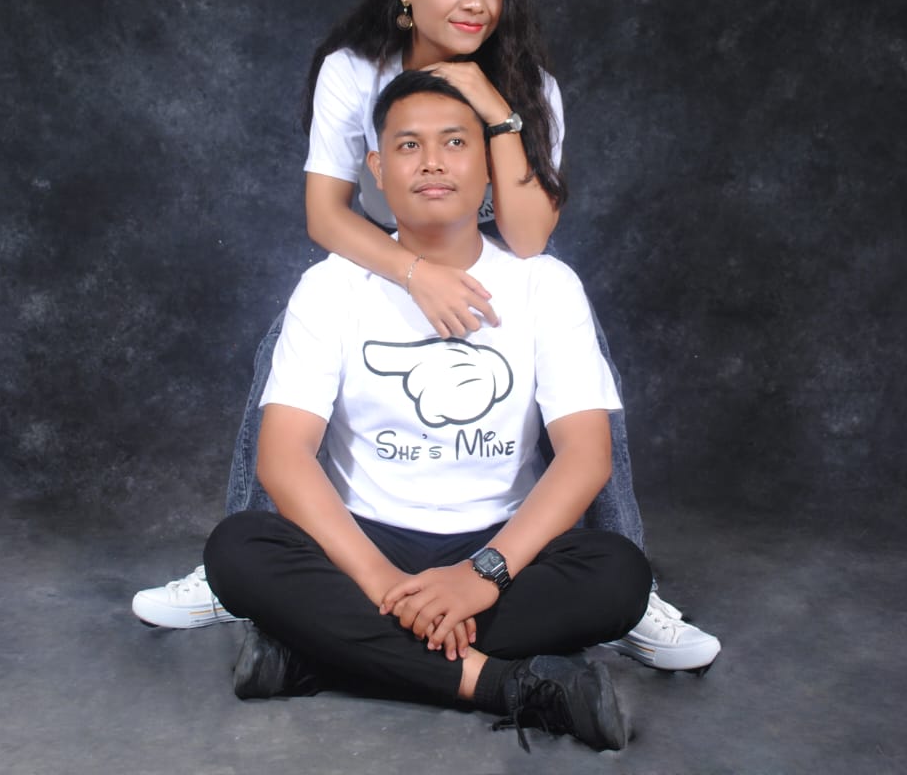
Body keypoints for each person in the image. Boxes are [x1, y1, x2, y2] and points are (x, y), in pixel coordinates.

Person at [132, 0, 719, 672]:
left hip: (490, 256)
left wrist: (494, 107)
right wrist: (415, 275)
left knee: (581, 379)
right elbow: (325, 215)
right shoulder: (354, 70)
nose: (478, 1)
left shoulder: (529, 86)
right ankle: (236, 573)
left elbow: (529, 238)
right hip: (381, 252)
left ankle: (627, 593)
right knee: (289, 345)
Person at [203, 70, 654, 752]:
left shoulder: (546, 284)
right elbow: (282, 458)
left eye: (455, 142)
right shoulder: (331, 286)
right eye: (409, 146)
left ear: (489, 165)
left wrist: (482, 576)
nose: (433, 162)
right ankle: (507, 685)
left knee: (619, 576)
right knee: (238, 551)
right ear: (378, 169)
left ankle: (317, 656)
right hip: (366, 545)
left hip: (500, 545)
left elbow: (587, 457)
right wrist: (384, 582)